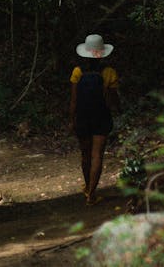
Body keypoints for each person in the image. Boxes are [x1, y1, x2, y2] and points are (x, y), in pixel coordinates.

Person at [69, 33, 120, 205]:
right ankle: (92, 193)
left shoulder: (77, 72)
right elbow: (113, 99)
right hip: (101, 116)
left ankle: (87, 187)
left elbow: (74, 100)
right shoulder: (109, 73)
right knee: (97, 155)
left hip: (83, 116)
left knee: (85, 154)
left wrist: (71, 119)